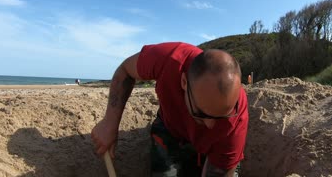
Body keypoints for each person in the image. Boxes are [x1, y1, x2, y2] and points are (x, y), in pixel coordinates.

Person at [91, 42, 248, 176]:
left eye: (221, 116)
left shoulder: (237, 116)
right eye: (200, 114)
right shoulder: (170, 59)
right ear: (184, 82)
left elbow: (219, 170)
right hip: (170, 128)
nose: (210, 125)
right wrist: (109, 123)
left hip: (214, 147)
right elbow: (125, 70)